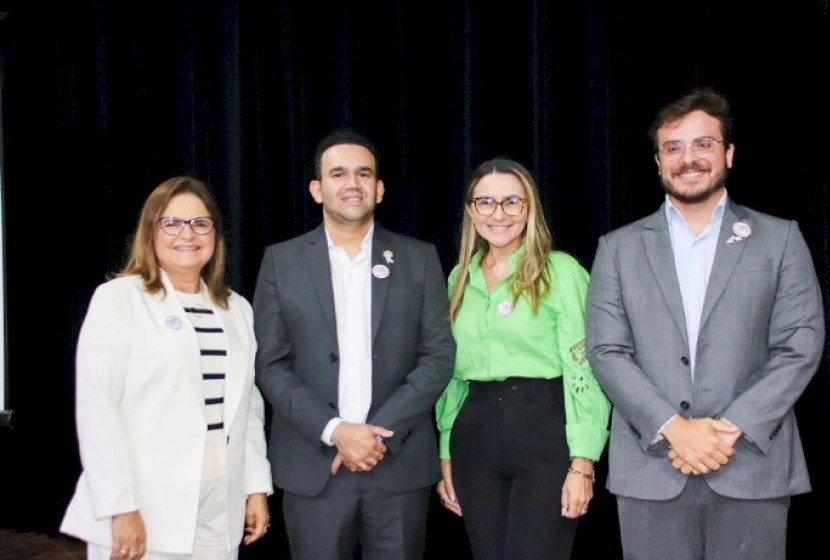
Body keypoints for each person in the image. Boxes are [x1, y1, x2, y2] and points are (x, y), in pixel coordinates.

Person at [585, 88, 826, 559]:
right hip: (652, 468)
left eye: (703, 144)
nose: (688, 158)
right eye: (673, 148)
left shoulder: (779, 239)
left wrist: (728, 428)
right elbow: (606, 351)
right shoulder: (618, 248)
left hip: (751, 463)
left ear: (728, 154)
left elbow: (801, 344)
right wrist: (674, 427)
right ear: (657, 162)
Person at [253, 128, 456, 560]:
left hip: (396, 463)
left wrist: (376, 436)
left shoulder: (419, 259)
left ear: (379, 190)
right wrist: (336, 432)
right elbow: (271, 364)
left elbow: (438, 356)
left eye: (364, 175)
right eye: (338, 173)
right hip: (315, 465)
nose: (352, 184)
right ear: (316, 188)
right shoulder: (280, 261)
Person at [60, 177, 273, 560]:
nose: (187, 234)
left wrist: (255, 487)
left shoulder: (237, 309)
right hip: (143, 504)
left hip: (218, 504)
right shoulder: (118, 300)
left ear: (215, 234)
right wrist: (120, 506)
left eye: (200, 223)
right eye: (172, 223)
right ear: (150, 232)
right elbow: (97, 410)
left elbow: (248, 408)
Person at [434, 158, 611, 559]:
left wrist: (583, 462)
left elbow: (585, 369)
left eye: (512, 202)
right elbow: (449, 375)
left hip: (544, 432)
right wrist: (446, 450)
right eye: (486, 202)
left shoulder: (561, 273)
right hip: (473, 437)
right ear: (470, 210)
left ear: (529, 208)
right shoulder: (459, 278)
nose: (499, 214)